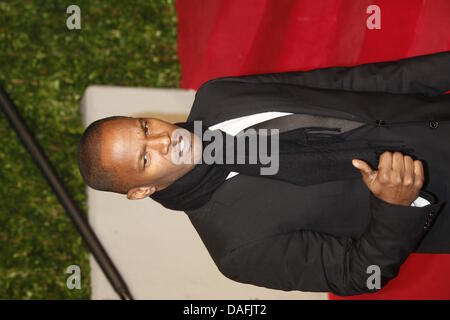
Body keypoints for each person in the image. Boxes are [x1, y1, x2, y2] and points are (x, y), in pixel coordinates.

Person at [78, 51, 450, 296]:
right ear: (140, 191)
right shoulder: (236, 248)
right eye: (145, 159)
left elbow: (347, 83)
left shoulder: (216, 96)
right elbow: (357, 273)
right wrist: (395, 206)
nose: (163, 141)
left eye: (144, 128)